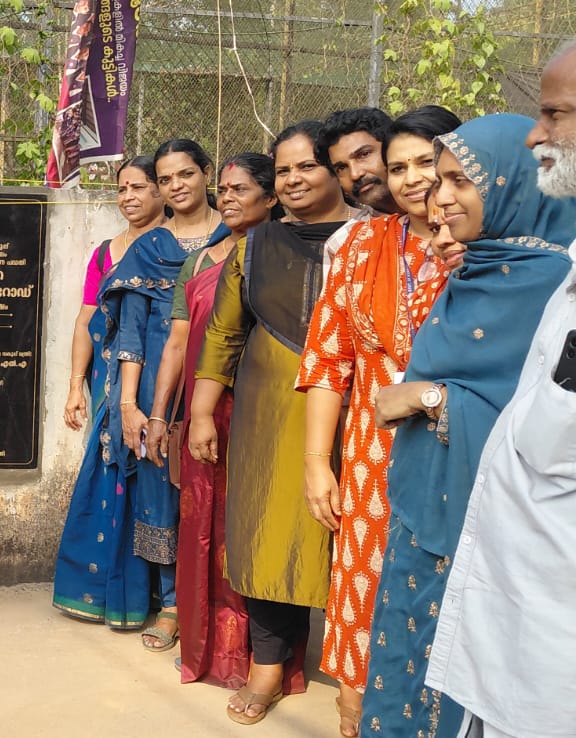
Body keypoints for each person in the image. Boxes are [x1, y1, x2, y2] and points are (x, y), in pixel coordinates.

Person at [359, 113, 576, 738]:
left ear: (511, 185)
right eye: (441, 180)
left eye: (462, 181)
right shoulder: (480, 269)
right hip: (425, 513)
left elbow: (532, 427)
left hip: (493, 539)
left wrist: (427, 399)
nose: (440, 197)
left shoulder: (545, 286)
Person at [188, 120, 362, 725]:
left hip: (357, 415)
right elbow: (224, 332)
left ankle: (353, 678)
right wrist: (203, 411)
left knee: (353, 539)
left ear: (335, 171)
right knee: (266, 537)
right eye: (282, 170)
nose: (291, 180)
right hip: (268, 411)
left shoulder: (376, 237)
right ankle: (268, 669)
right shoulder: (256, 245)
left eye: (305, 167)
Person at [295, 105, 460, 738]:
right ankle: (357, 719)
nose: (413, 179)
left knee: (441, 595)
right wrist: (318, 462)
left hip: (455, 449)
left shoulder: (484, 245)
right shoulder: (361, 244)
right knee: (364, 587)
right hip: (368, 458)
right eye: (397, 167)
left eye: (426, 162)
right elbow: (328, 357)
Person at [427, 46, 576, 738]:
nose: (535, 134)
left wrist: (425, 399)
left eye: (554, 114)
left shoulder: (544, 273)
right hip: (514, 632)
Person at [53, 140, 227, 650]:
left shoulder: (233, 239)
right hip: (156, 389)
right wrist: (130, 406)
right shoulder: (148, 249)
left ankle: (217, 607)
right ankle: (172, 604)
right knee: (161, 492)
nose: (176, 186)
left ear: (206, 173)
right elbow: (127, 332)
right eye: (168, 177)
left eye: (184, 175)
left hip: (221, 380)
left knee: (216, 492)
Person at [146, 152, 279, 688]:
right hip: (206, 413)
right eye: (223, 188)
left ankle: (261, 656)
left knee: (253, 529)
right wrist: (162, 415)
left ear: (271, 198)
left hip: (266, 411)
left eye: (240, 188)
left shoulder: (286, 254)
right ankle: (206, 650)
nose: (227, 198)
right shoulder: (200, 262)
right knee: (202, 528)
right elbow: (178, 342)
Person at [63, 156, 166, 432]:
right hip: (107, 380)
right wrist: (75, 386)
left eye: (138, 188)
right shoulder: (104, 255)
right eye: (122, 190)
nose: (128, 197)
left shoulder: (176, 250)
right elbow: (86, 321)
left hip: (160, 378)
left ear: (161, 191)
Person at [320, 107, 401, 215]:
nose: (355, 175)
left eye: (364, 154)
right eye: (342, 168)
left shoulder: (430, 210)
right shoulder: (353, 232)